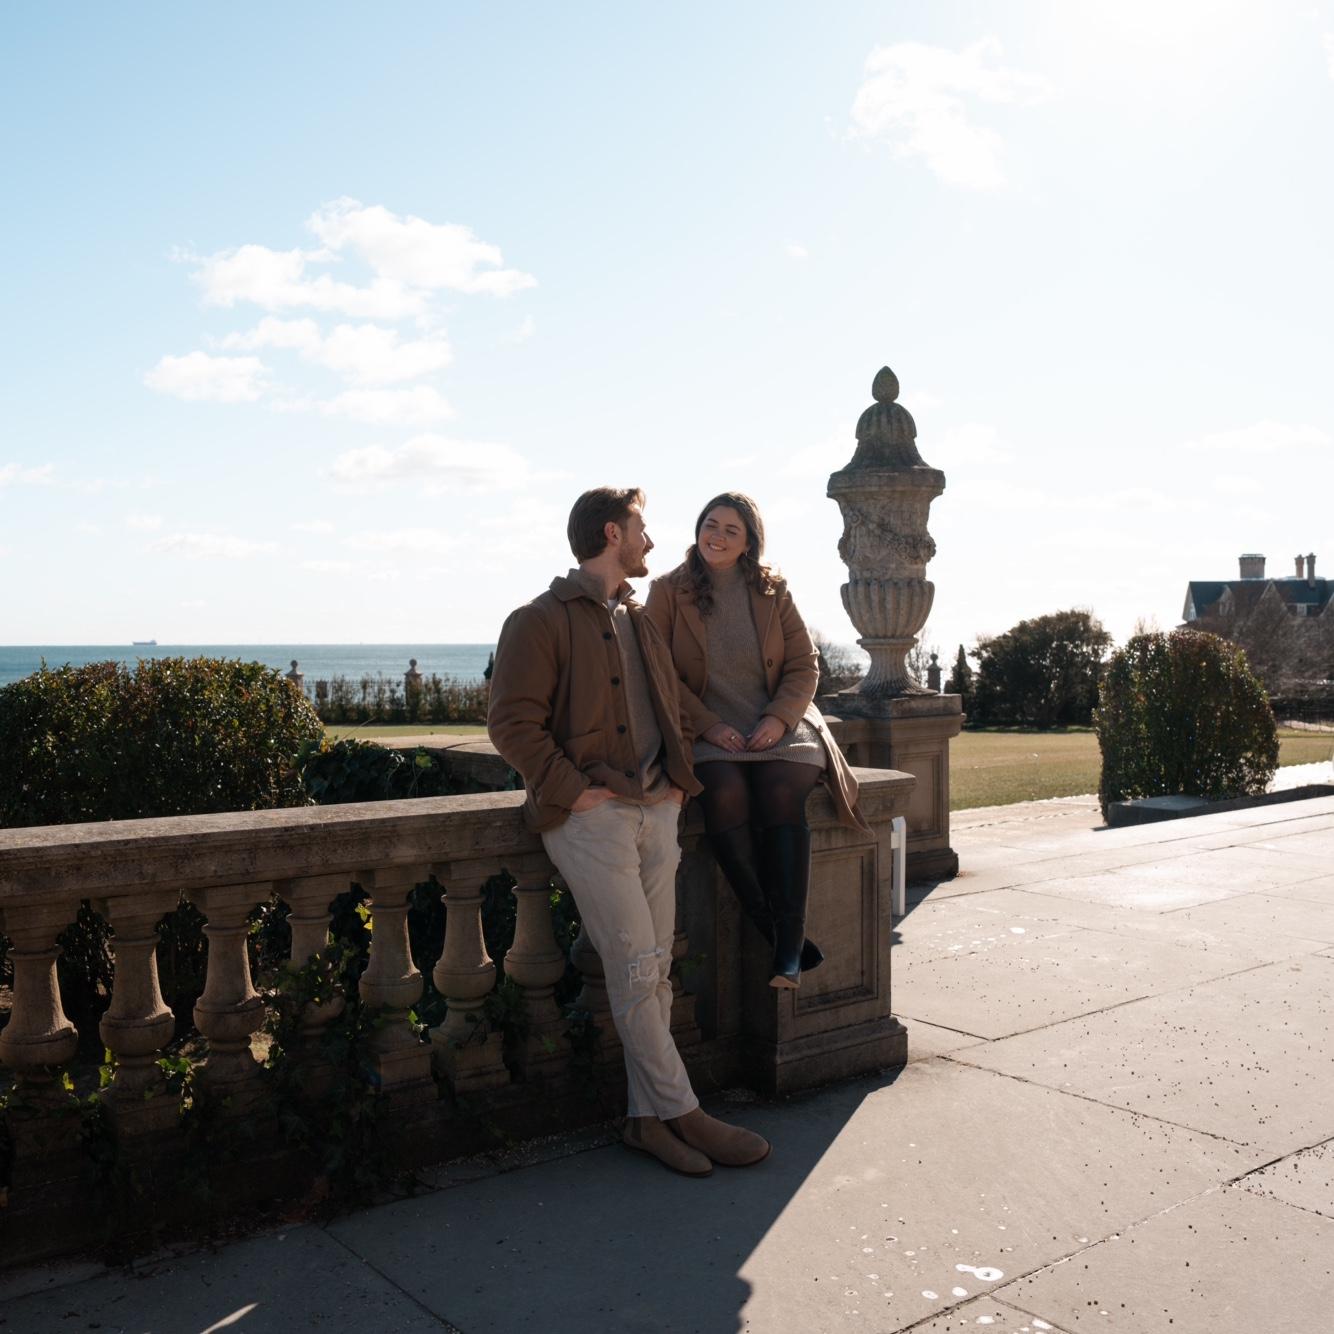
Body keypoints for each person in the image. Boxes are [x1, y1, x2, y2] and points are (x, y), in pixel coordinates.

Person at [488, 486, 771, 1178]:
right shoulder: (537, 620)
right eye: (641, 528)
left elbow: (671, 705)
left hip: (657, 811)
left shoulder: (640, 619)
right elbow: (511, 724)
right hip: (591, 821)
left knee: (655, 971)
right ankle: (686, 1112)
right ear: (613, 533)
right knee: (640, 969)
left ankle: (647, 1123)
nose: (651, 540)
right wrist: (575, 792)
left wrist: (679, 781)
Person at [645, 491, 869, 990]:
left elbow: (804, 664)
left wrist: (779, 718)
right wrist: (707, 724)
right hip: (707, 728)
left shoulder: (773, 589)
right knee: (724, 793)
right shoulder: (667, 591)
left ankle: (787, 947)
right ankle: (785, 940)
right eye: (711, 524)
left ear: (749, 543)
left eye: (732, 530)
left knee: (780, 791)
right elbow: (658, 672)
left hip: (778, 724)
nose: (717, 536)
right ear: (698, 528)